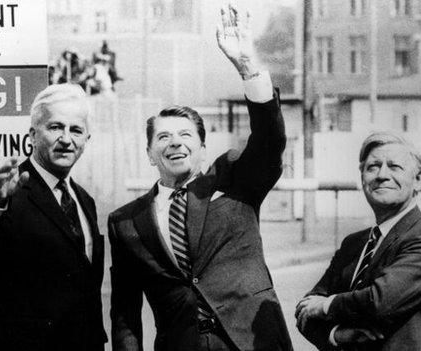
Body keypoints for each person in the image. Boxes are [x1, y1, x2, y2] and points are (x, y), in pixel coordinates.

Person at [107, 4, 293, 351]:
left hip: (254, 342)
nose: (175, 142)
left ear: (203, 149)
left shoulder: (234, 180)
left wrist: (249, 67)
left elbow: (269, 142)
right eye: (163, 137)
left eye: (185, 135)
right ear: (149, 153)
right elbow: (125, 313)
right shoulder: (126, 223)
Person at [0, 83, 106, 351]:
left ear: (86, 140)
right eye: (55, 127)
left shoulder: (85, 201)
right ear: (33, 135)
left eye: (76, 130)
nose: (66, 139)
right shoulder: (4, 189)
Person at [295, 132, 421, 351]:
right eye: (373, 167)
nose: (382, 175)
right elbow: (305, 309)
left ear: (418, 179)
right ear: (362, 178)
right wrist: (335, 336)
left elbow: (380, 301)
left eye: (394, 167)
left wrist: (327, 305)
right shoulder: (353, 244)